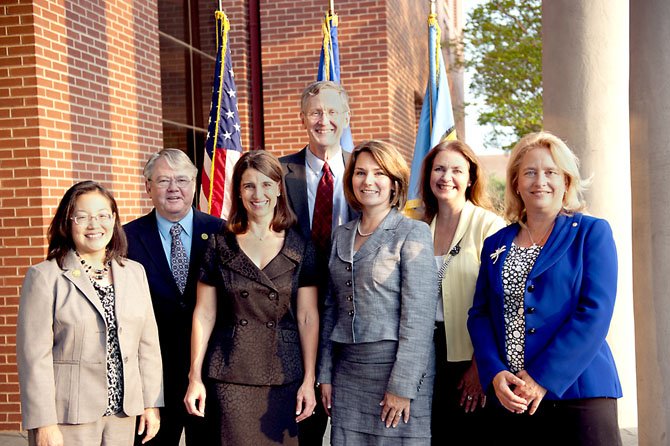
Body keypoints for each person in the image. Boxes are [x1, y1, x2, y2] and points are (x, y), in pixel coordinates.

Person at [467, 131, 623, 445]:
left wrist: (540, 378)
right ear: (516, 183)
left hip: (579, 394)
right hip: (512, 398)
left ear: (566, 181)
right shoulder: (496, 243)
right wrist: (494, 372)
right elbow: (480, 314)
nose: (541, 181)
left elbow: (594, 314)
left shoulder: (592, 233)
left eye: (551, 172)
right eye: (530, 172)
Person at [184, 150, 319, 445]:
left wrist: (309, 379)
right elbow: (204, 314)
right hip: (231, 372)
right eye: (249, 186)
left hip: (284, 374)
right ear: (239, 192)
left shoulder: (300, 247)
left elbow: (307, 317)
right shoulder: (219, 246)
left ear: (279, 188)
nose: (258, 194)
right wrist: (195, 377)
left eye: (267, 184)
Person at [17, 180, 163, 446]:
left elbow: (148, 345)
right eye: (82, 217)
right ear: (68, 222)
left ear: (114, 219)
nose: (94, 225)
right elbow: (34, 357)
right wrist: (44, 423)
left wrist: (152, 404)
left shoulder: (133, 272)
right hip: (68, 417)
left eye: (102, 215)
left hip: (123, 414)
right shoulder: (45, 277)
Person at [318, 140, 439, 445]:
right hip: (347, 371)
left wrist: (403, 385)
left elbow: (420, 316)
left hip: (394, 370)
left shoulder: (413, 232)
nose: (368, 181)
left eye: (379, 174)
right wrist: (326, 373)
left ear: (394, 183)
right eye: (360, 173)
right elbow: (331, 307)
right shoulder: (341, 234)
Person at [124, 149, 224, 445]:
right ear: (148, 187)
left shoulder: (220, 232)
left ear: (194, 184)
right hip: (153, 380)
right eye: (163, 180)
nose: (173, 188)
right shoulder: (126, 238)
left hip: (210, 375)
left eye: (182, 180)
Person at [280, 80, 357, 445]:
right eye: (315, 113)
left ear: (345, 117)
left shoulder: (365, 173)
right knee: (302, 429)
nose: (323, 120)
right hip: (294, 317)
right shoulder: (278, 175)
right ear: (302, 119)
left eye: (331, 112)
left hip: (354, 316)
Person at [417, 140, 505, 445]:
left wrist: (481, 365)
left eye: (456, 170)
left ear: (470, 178)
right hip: (427, 354)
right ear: (428, 175)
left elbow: (502, 303)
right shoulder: (418, 227)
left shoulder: (489, 225)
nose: (446, 177)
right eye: (439, 168)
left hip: (471, 353)